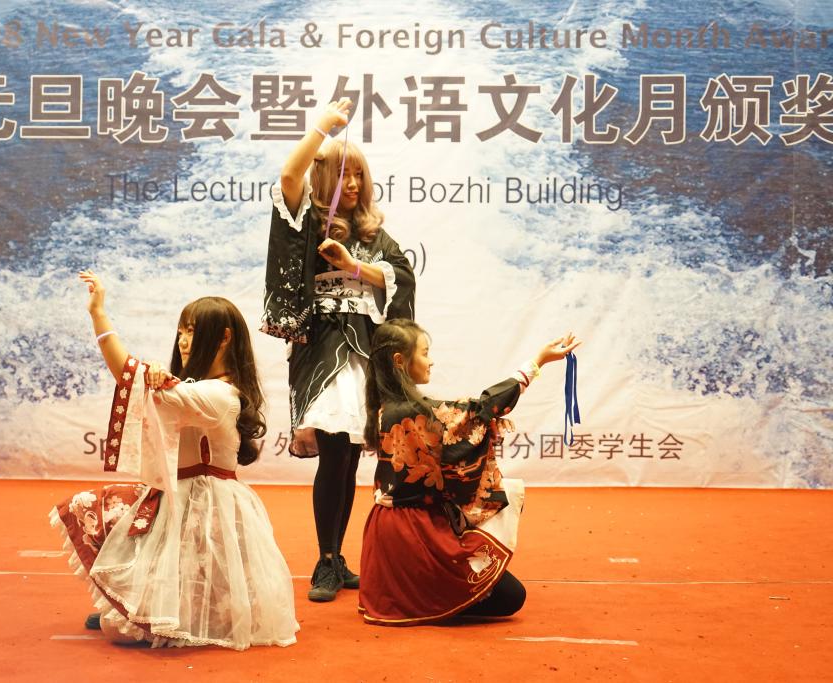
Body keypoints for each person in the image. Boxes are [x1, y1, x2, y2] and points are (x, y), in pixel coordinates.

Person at [50, 270, 299, 649]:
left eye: (192, 331)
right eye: (181, 331)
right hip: (183, 498)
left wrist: (99, 315)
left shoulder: (220, 395)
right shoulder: (201, 389)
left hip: (202, 506)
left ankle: (151, 616)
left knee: (120, 629)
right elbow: (148, 389)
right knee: (97, 508)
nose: (182, 340)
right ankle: (144, 611)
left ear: (224, 338)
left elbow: (129, 375)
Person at [261, 99, 416, 602]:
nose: (353, 184)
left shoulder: (374, 233)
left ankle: (337, 557)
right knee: (332, 450)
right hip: (325, 348)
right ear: (327, 178)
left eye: (359, 175)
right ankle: (325, 561)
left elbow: (401, 276)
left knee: (348, 457)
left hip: (364, 351)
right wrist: (323, 127)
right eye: (345, 174)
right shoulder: (308, 222)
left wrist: (354, 267)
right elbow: (289, 176)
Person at [358, 319, 581, 625]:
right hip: (415, 536)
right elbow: (482, 409)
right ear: (400, 360)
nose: (431, 361)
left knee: (502, 587)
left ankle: (414, 592)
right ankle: (429, 597)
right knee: (511, 596)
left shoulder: (387, 407)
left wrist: (485, 427)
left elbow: (460, 434)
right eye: (425, 353)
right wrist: (537, 362)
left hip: (391, 530)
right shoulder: (413, 411)